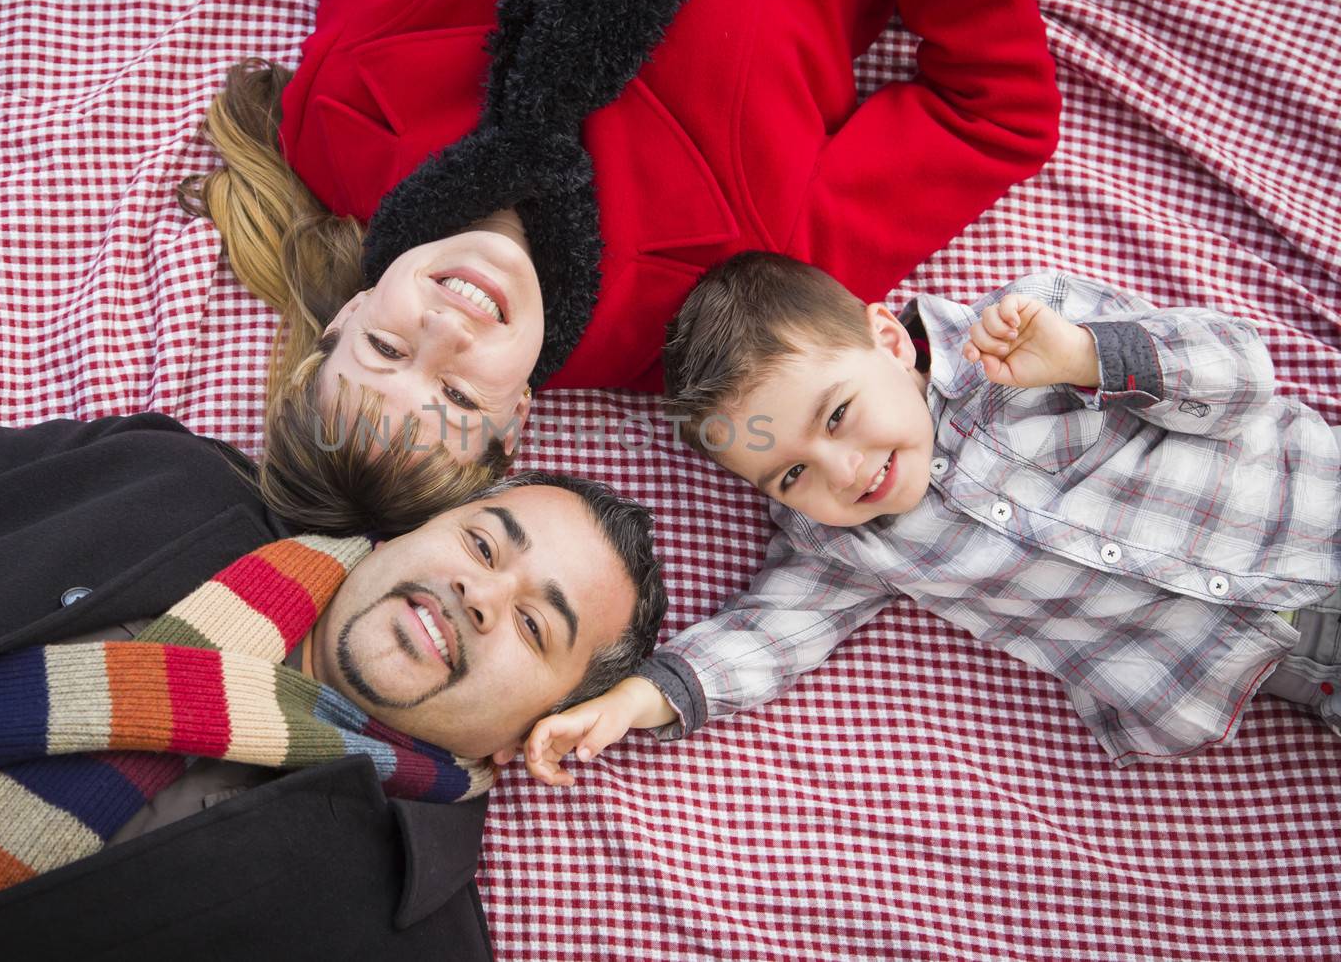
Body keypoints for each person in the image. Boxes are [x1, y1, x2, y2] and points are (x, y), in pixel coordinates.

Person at [182, 0, 1086, 468]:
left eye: (384, 351)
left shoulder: (337, 123)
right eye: (458, 398)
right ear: (517, 419)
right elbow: (992, 110)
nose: (443, 335)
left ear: (344, 319)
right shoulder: (728, 299)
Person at [0, 414, 666, 960]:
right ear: (408, 533)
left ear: (528, 736)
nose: (479, 592)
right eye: (481, 542)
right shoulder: (170, 481)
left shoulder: (403, 936)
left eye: (536, 625)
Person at [514, 253, 1341, 786]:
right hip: (1267, 666)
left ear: (887, 337)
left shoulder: (1028, 336)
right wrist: (632, 703)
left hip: (1312, 509)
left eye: (837, 414)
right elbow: (769, 632)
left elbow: (1240, 372)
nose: (842, 471)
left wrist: (1087, 355)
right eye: (792, 472)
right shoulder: (842, 541)